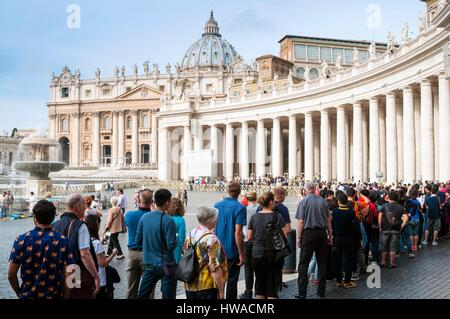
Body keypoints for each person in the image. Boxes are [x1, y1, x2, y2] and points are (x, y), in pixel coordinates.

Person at [8, 200, 75, 299]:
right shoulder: (64, 241)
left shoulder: (21, 240)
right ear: (53, 218)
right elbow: (72, 273)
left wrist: (20, 294)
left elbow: (11, 275)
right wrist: (66, 296)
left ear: (35, 218)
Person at [52, 194, 100, 299]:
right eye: (84, 205)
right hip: (76, 272)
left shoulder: (55, 225)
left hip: (59, 273)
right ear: (77, 207)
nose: (85, 208)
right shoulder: (80, 225)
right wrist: (96, 276)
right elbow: (85, 254)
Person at [136, 189, 177, 299]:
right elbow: (171, 246)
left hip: (149, 263)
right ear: (167, 202)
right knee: (168, 296)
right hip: (166, 265)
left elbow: (137, 241)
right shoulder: (169, 221)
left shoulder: (144, 217)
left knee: (142, 295)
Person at [248, 192, 289, 299]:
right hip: (274, 254)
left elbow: (249, 237)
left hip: (257, 253)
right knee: (271, 286)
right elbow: (286, 232)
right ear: (271, 202)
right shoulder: (277, 216)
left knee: (260, 286)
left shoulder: (254, 217)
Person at [295, 182, 333, 299]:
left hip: (308, 234)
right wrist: (330, 236)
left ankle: (302, 292)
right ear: (315, 189)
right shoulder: (323, 201)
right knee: (322, 263)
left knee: (303, 264)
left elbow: (301, 222)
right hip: (321, 233)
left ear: (306, 190)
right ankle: (321, 291)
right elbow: (328, 221)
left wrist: (299, 237)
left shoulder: (304, 202)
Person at [184, 207, 228, 299]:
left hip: (190, 283)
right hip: (206, 285)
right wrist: (221, 290)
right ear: (210, 219)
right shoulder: (211, 239)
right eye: (216, 217)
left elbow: (185, 251)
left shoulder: (190, 233)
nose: (217, 220)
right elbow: (214, 267)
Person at [214, 182, 247, 299]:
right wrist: (241, 254)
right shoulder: (240, 208)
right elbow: (238, 232)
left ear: (228, 191)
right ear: (239, 193)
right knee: (232, 281)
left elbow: (212, 227)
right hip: (232, 250)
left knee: (219, 281)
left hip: (217, 248)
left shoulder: (216, 205)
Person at [124, 189, 154, 299]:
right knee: (149, 290)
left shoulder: (129, 215)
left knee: (131, 288)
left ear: (139, 199)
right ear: (152, 201)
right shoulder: (154, 217)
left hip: (133, 253)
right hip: (148, 254)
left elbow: (125, 227)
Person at [330, 192, 360, 289]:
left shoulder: (334, 211)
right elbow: (355, 226)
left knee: (338, 259)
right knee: (348, 259)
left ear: (338, 202)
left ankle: (339, 281)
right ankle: (347, 281)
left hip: (338, 238)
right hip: (348, 238)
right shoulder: (351, 212)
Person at [85, 214, 117, 299]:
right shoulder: (96, 243)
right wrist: (113, 253)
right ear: (96, 225)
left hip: (87, 278)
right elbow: (103, 263)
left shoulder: (84, 240)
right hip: (100, 279)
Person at [378, 191, 409, 268]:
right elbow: (406, 218)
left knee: (384, 246)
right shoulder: (401, 207)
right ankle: (392, 263)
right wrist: (401, 226)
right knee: (393, 246)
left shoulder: (384, 206)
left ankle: (383, 261)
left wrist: (380, 227)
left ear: (389, 197)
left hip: (385, 229)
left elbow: (380, 217)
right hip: (396, 230)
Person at [240, 191, 259, 299]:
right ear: (255, 198)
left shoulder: (243, 209)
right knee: (258, 267)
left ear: (246, 199)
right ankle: (258, 291)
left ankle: (248, 292)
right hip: (256, 239)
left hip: (246, 239)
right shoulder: (259, 209)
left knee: (248, 268)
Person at [167, 197, 186, 264]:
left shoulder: (166, 218)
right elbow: (182, 237)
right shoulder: (181, 220)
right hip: (176, 246)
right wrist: (182, 249)